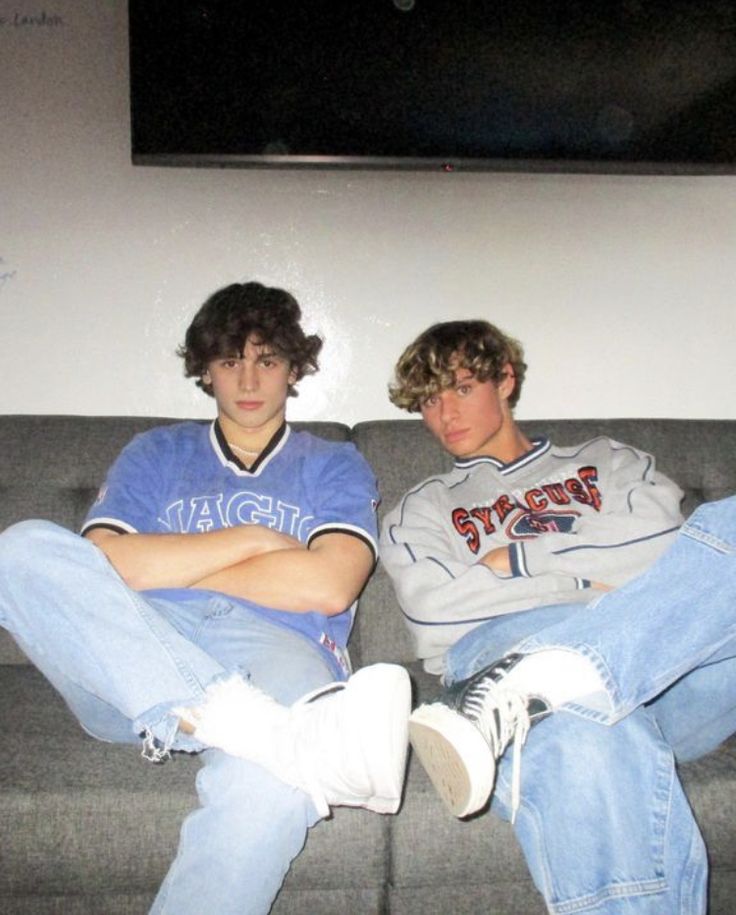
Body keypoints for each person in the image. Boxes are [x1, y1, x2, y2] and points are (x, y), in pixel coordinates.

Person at [0, 281, 410, 915]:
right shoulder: (158, 452)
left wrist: (171, 566)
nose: (248, 380)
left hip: (280, 647)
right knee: (20, 548)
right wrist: (251, 540)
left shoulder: (332, 462)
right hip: (136, 650)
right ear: (206, 371)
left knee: (266, 793)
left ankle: (238, 725)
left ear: (293, 369)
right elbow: (99, 566)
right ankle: (244, 721)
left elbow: (329, 584)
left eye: (267, 360)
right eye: (229, 361)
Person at [381, 319, 734, 914]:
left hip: (666, 661)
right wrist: (585, 579)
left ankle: (547, 682)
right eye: (429, 402)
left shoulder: (609, 461)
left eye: (461, 388)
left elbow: (671, 550)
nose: (445, 414)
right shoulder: (423, 507)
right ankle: (549, 683)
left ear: (506, 381)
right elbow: (432, 613)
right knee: (582, 739)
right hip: (506, 644)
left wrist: (514, 559)